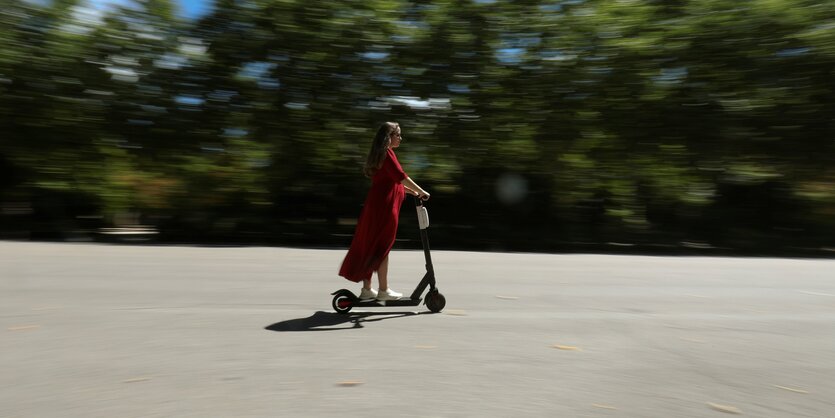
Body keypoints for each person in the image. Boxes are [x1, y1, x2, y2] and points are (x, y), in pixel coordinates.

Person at [338, 122, 430, 301]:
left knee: (373, 245)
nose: (401, 138)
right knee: (382, 248)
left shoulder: (382, 154)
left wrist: (412, 192)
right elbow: (401, 176)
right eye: (398, 134)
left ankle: (367, 290)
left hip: (377, 205)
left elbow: (391, 183)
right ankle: (384, 290)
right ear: (389, 136)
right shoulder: (387, 154)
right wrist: (422, 191)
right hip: (384, 208)